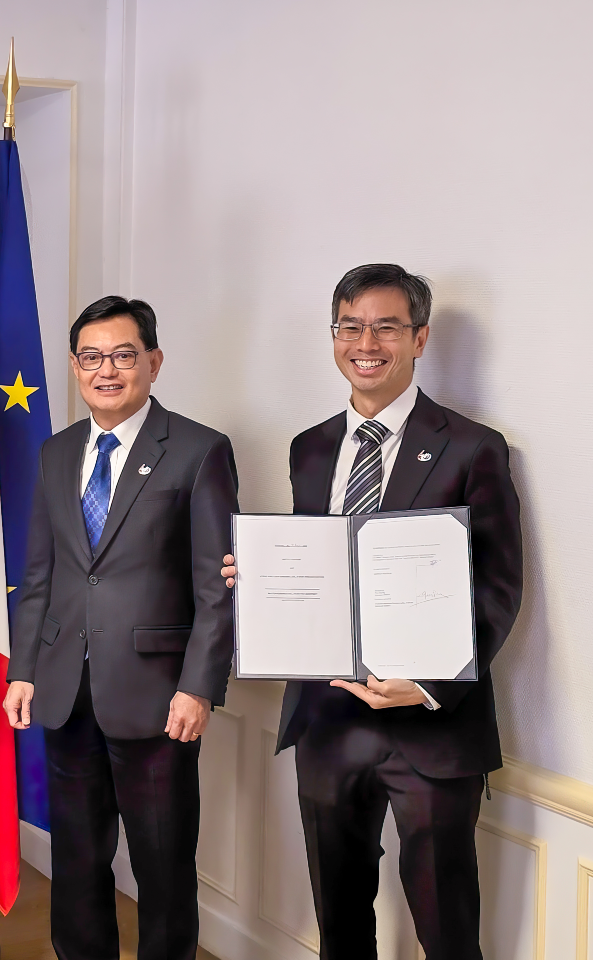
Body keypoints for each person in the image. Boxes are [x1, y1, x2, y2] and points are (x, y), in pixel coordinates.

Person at [221, 264, 524, 960]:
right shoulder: (312, 446)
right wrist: (260, 577)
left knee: (447, 932)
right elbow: (317, 566)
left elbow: (499, 588)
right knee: (340, 928)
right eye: (351, 327)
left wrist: (428, 685)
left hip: (431, 727)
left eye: (386, 327)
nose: (367, 342)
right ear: (334, 337)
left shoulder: (474, 447)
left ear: (419, 338)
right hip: (329, 720)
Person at [2, 296, 239, 960]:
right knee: (77, 865)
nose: (108, 370)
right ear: (76, 367)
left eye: (124, 355)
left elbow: (214, 588)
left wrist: (199, 687)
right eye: (92, 357)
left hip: (160, 700)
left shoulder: (199, 451)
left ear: (153, 362)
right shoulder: (56, 454)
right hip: (66, 692)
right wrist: (23, 667)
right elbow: (41, 575)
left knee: (164, 872)